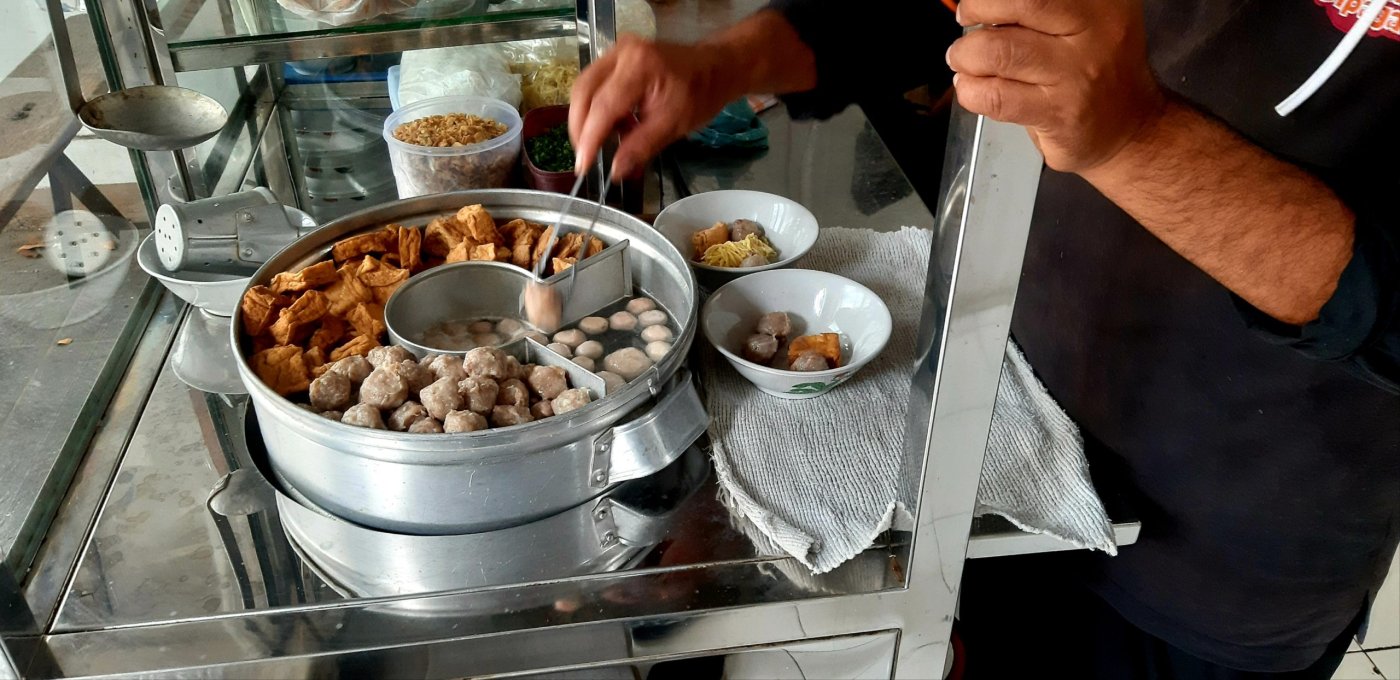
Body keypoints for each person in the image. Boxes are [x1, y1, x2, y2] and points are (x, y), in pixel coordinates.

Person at [570, 0, 1400, 678]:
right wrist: (724, 64)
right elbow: (945, 23)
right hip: (996, 445)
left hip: (1212, 562)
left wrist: (1137, 136)